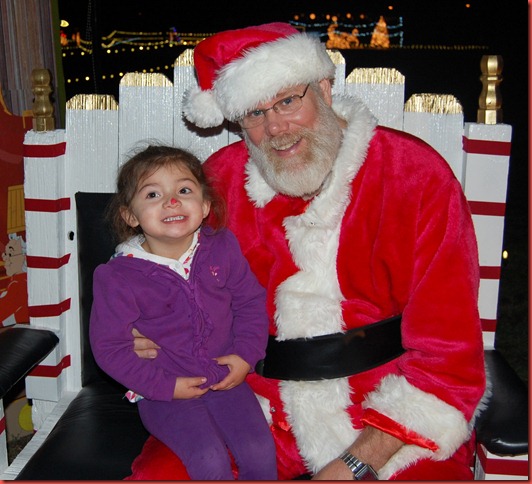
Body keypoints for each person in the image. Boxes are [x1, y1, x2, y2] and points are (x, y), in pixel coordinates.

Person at [130, 23, 486, 480]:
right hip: (251, 405)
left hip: (390, 416)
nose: (275, 128)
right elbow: (160, 269)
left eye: (287, 101)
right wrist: (142, 322)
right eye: (254, 113)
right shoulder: (217, 184)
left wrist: (356, 463)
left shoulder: (416, 175)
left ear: (324, 88)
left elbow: (449, 357)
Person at [89, 145, 277, 480]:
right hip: (163, 392)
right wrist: (164, 386)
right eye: (153, 194)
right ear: (130, 216)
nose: (172, 201)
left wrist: (245, 356)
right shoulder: (117, 276)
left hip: (226, 379)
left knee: (260, 451)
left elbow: (250, 303)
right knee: (209, 459)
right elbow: (109, 349)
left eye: (184, 190)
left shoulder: (222, 247)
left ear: (204, 206)